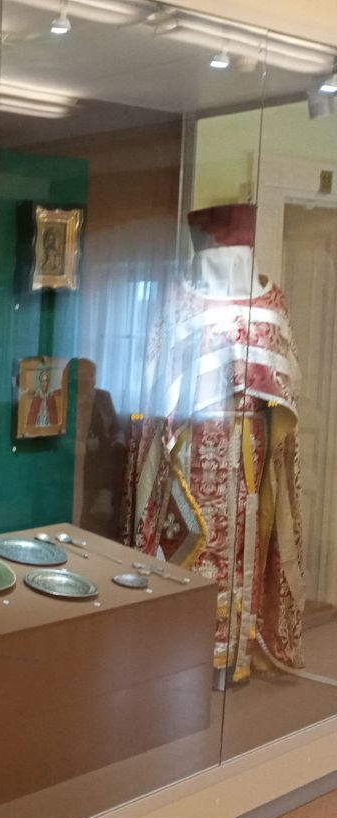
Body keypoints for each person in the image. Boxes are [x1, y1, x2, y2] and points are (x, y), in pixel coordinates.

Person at [129, 203, 304, 684]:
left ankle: (233, 656)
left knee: (242, 547)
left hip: (248, 445)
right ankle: (180, 653)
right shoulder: (177, 300)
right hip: (188, 448)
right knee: (189, 542)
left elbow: (286, 388)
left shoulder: (271, 301)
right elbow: (156, 385)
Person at [23, 367, 61, 433]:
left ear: (48, 382)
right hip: (38, 422)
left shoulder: (51, 395)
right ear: (40, 382)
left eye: (45, 381)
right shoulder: (37, 395)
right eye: (42, 381)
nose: (44, 384)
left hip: (48, 423)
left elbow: (54, 413)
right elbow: (32, 413)